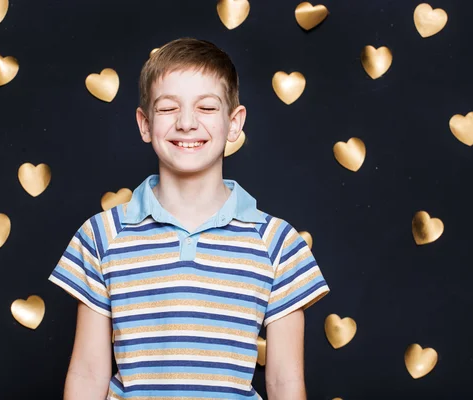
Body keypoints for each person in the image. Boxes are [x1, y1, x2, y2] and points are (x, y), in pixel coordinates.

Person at [48, 37, 331, 400]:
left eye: (206, 108)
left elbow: (285, 382)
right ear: (144, 123)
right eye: (167, 108)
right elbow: (88, 373)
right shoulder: (101, 236)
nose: (186, 123)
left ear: (234, 123)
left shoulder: (278, 243)